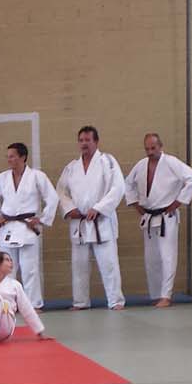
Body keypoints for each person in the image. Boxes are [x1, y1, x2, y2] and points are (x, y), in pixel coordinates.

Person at [123, 133, 192, 306]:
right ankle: (156, 295)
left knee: (167, 256)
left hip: (167, 217)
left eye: (153, 148)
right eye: (147, 149)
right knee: (151, 259)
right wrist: (135, 204)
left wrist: (178, 202)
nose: (150, 152)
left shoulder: (171, 162)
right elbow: (127, 183)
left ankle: (166, 295)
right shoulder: (141, 165)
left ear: (160, 146)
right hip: (149, 217)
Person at [56, 125, 125, 309]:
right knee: (79, 266)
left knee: (109, 264)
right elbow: (61, 191)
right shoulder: (72, 167)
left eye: (88, 140)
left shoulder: (107, 161)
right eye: (81, 140)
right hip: (79, 222)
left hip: (101, 221)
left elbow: (118, 187)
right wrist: (69, 209)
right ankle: (80, 302)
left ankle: (116, 300)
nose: (84, 144)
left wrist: (99, 208)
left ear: (96, 142)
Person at [0, 141, 58, 308]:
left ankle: (33, 305)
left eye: (12, 156)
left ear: (23, 157)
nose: (9, 160)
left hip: (27, 228)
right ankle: (8, 304)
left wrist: (41, 219)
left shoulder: (37, 176)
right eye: (8, 157)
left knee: (30, 269)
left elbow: (52, 198)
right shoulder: (1, 179)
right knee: (5, 270)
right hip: (8, 228)